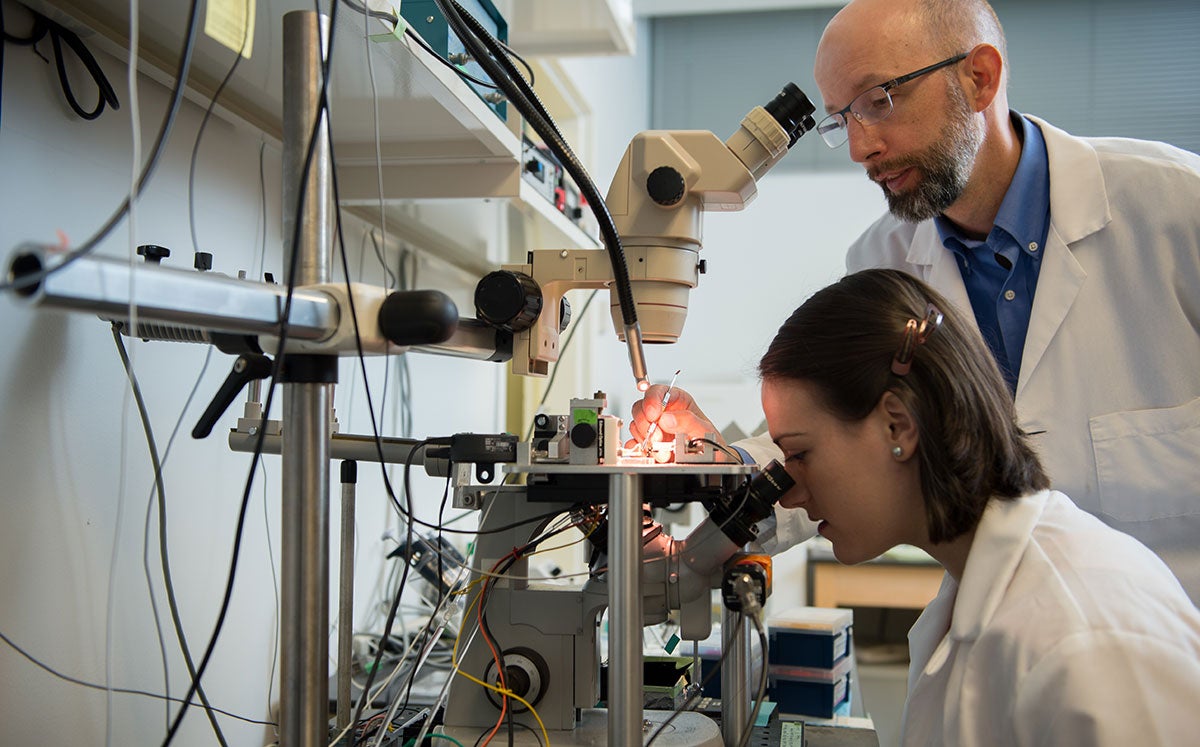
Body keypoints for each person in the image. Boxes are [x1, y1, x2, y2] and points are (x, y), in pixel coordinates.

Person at [629, 0, 1200, 601]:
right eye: (840, 120)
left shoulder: (1175, 211)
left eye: (879, 100)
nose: (858, 148)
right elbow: (853, 444)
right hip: (1006, 626)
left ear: (979, 78)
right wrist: (722, 465)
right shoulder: (883, 262)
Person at [761, 268, 1200, 745]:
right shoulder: (979, 589)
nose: (790, 494)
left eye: (800, 455)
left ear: (898, 427)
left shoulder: (1083, 642)